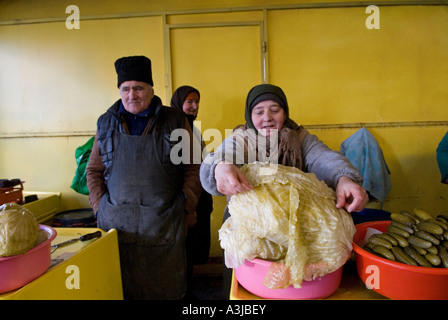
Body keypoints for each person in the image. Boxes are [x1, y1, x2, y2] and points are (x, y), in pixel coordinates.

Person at [199, 83, 369, 297]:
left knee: (294, 287)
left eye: (275, 110)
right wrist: (219, 167)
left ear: (285, 112)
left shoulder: (300, 138)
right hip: (248, 230)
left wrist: (344, 178)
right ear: (249, 116)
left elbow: (323, 158)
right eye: (259, 111)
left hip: (297, 227)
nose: (267, 117)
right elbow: (222, 154)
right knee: (244, 292)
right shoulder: (242, 139)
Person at [86, 56, 201, 300]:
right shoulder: (106, 123)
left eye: (138, 88)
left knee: (166, 289)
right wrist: (99, 208)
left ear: (151, 89)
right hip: (116, 225)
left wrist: (185, 206)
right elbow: (94, 171)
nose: (132, 95)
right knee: (119, 289)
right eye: (125, 89)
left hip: (164, 224)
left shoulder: (174, 120)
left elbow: (193, 167)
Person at [170, 85, 214, 299]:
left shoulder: (192, 128)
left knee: (191, 249)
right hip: (188, 199)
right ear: (179, 103)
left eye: (197, 102)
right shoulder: (175, 128)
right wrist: (189, 204)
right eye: (190, 102)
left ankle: (189, 289)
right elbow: (180, 169)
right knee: (183, 250)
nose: (195, 106)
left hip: (199, 196)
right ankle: (184, 293)